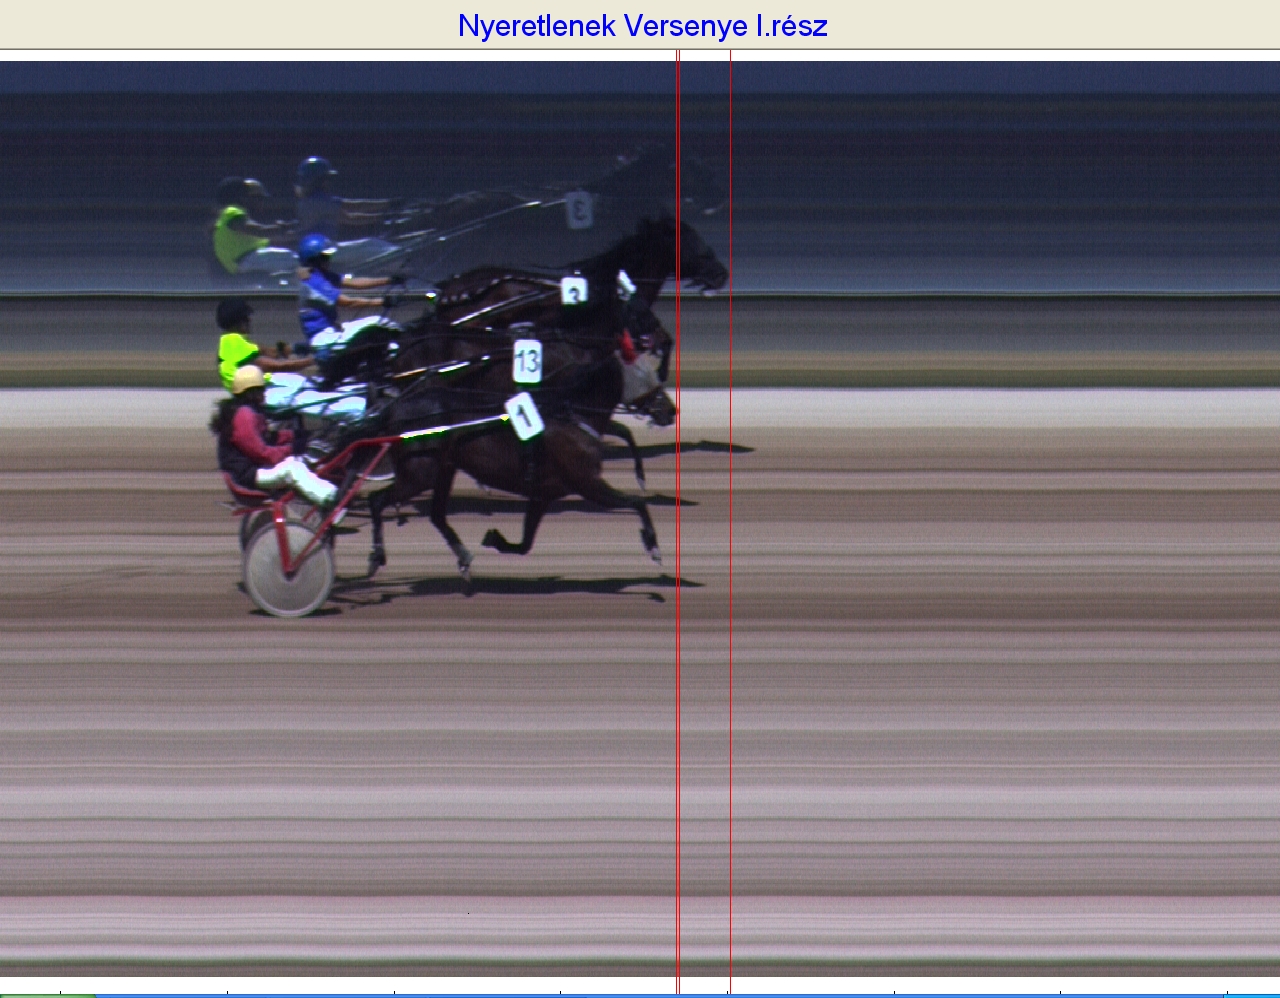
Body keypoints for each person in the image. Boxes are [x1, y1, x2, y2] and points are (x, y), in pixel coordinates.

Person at [212, 365, 338, 507]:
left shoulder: (247, 411)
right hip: (248, 476)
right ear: (252, 392)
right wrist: (292, 449)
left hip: (251, 470)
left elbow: (268, 438)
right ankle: (331, 498)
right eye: (262, 389)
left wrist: (295, 435)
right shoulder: (244, 416)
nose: (265, 393)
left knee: (297, 461)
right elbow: (262, 453)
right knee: (292, 468)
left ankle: (321, 497)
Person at [297, 233, 403, 375]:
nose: (329, 260)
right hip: (324, 338)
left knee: (384, 325)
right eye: (326, 257)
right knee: (381, 324)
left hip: (333, 331)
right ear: (314, 260)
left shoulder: (322, 276)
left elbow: (355, 282)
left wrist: (389, 280)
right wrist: (383, 302)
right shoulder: (314, 283)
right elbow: (347, 302)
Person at [294, 157, 399, 270]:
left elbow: (351, 218)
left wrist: (382, 217)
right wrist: (389, 204)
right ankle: (402, 266)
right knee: (374, 248)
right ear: (317, 181)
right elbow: (354, 207)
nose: (329, 183)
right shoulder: (317, 201)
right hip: (319, 253)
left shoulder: (312, 201)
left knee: (373, 243)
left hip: (324, 250)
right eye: (326, 179)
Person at [216, 297, 314, 393]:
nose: (250, 320)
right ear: (238, 321)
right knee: (308, 385)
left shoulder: (229, 340)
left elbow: (266, 351)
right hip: (260, 391)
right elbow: (280, 366)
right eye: (246, 317)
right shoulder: (234, 342)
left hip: (253, 390)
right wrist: (313, 360)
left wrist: (291, 348)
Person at [211, 178, 298, 276]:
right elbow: (259, 231)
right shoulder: (232, 211)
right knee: (295, 259)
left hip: (246, 261)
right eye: (257, 198)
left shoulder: (227, 215)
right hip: (247, 261)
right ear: (243, 197)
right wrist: (284, 227)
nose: (260, 203)